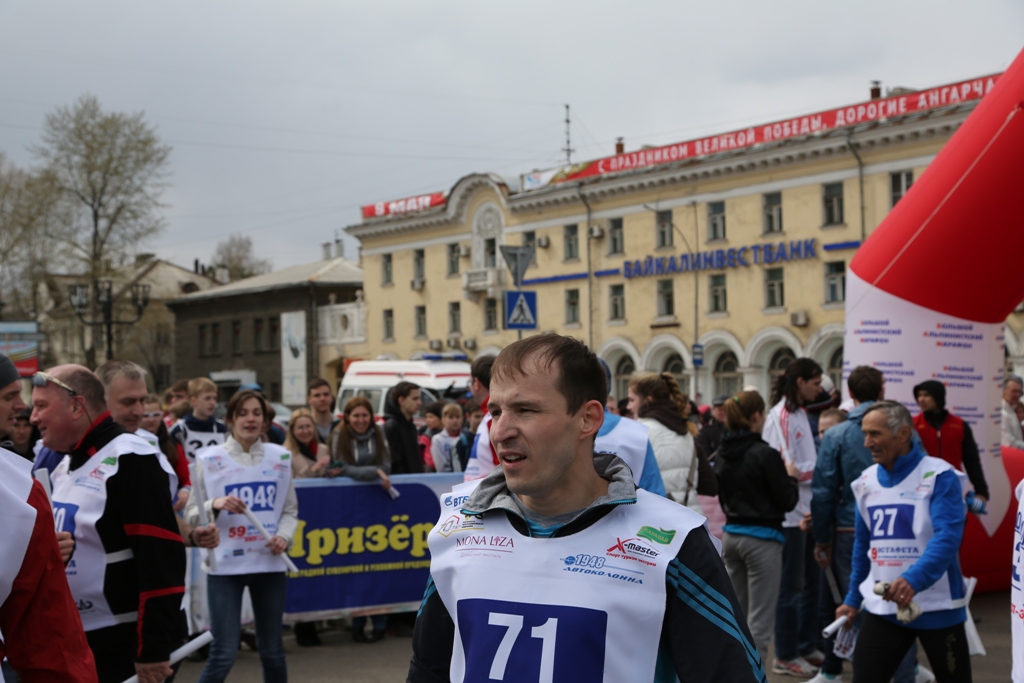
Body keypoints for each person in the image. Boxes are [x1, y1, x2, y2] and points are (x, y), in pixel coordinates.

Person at [408, 334, 766, 682]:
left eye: (525, 410)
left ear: (588, 418)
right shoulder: (458, 526)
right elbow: (428, 671)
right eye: (495, 411)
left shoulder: (673, 543)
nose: (500, 432)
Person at [33, 365, 185, 683]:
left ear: (77, 407)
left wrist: (151, 649)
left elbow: (160, 557)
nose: (34, 417)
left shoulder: (131, 457)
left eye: (41, 406)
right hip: (84, 640)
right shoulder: (65, 463)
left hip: (125, 644)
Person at [836, 401, 972, 683]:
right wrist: (853, 599)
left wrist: (913, 579)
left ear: (903, 433)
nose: (867, 443)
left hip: (937, 606)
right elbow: (863, 546)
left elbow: (947, 537)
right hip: (883, 608)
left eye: (875, 434)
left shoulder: (939, 475)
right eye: (865, 434)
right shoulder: (865, 481)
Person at [810, 366, 922, 683]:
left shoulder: (837, 434)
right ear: (881, 390)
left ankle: (878, 673)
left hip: (849, 531)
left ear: (850, 393)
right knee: (901, 605)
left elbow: (823, 492)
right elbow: (920, 471)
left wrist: (822, 539)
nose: (870, 442)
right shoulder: (902, 431)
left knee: (859, 608)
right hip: (899, 531)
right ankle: (904, 674)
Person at [186, 390, 298, 683]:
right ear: (230, 419)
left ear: (265, 420)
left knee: (272, 651)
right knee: (223, 652)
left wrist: (284, 537)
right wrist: (215, 504)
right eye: (243, 413)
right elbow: (191, 514)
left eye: (256, 413)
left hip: (269, 565)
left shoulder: (280, 457)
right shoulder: (209, 459)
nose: (250, 419)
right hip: (225, 568)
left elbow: (289, 511)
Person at [716, 390, 800, 665]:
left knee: (736, 617)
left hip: (732, 537)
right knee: (760, 623)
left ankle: (732, 673)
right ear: (756, 416)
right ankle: (754, 676)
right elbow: (787, 500)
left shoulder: (723, 453)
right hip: (762, 540)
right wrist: (792, 478)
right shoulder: (765, 454)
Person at [763, 357, 824, 677]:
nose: (820, 389)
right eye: (815, 383)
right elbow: (786, 469)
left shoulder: (801, 413)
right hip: (791, 517)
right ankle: (785, 654)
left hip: (809, 512)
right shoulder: (781, 416)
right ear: (800, 382)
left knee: (812, 584)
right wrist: (825, 472)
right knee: (791, 589)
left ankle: (806, 644)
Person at [326, 396, 392, 642]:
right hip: (350, 507)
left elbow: (386, 465)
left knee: (378, 565)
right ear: (347, 417)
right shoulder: (338, 435)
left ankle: (379, 622)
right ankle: (357, 622)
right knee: (355, 566)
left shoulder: (379, 434)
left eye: (365, 415)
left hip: (377, 506)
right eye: (356, 416)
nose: (361, 420)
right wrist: (374, 472)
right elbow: (340, 468)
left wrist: (374, 471)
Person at [96, 360, 189, 509]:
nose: (139, 411)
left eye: (142, 400)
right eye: (128, 402)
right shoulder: (68, 449)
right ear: (99, 400)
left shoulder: (148, 448)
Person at [628, 372, 712, 512]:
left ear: (648, 399)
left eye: (632, 400)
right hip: (691, 515)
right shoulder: (686, 432)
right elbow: (710, 485)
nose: (628, 406)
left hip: (656, 518)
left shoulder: (639, 431)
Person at [593, 358, 666, 496]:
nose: (628, 406)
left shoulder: (556, 430)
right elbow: (655, 495)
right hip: (629, 508)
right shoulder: (637, 433)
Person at [913, 379, 989, 503]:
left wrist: (981, 491)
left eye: (926, 395)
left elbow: (972, 461)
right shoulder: (912, 425)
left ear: (938, 396)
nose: (921, 399)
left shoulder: (959, 425)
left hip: (952, 487)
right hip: (920, 488)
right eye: (919, 395)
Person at [169, 377, 228, 463]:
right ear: (193, 401)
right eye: (207, 398)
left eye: (215, 398)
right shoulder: (180, 430)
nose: (212, 403)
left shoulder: (221, 428)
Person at [463, 355, 497, 481]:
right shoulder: (490, 416)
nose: (469, 388)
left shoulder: (494, 418)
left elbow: (503, 468)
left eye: (470, 382)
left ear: (476, 383)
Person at [383, 381, 423, 474]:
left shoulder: (409, 425)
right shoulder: (392, 427)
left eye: (419, 398)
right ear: (401, 400)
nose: (419, 403)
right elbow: (395, 462)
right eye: (415, 399)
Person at [284, 408, 328, 479]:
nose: (305, 431)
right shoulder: (285, 453)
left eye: (308, 426)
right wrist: (313, 469)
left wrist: (331, 474)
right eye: (300, 427)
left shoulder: (324, 449)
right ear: (292, 430)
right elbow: (288, 481)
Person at [431, 402, 466, 473]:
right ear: (443, 420)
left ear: (462, 419)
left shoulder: (466, 437)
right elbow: (441, 467)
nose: (455, 420)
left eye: (457, 417)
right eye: (450, 417)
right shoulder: (437, 440)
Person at [696, 393, 729, 461]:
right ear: (713, 411)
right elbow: (706, 457)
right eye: (720, 409)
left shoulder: (739, 430)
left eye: (726, 409)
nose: (723, 412)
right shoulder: (705, 433)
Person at [306, 377, 339, 443]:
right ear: (309, 399)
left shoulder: (341, 425)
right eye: (317, 395)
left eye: (326, 394)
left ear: (331, 397)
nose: (322, 399)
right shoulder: (305, 427)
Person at [453, 399, 482, 473]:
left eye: (484, 416)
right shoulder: (460, 442)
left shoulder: (493, 439)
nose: (481, 420)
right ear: (468, 416)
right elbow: (458, 473)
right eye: (477, 416)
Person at [419, 400, 445, 470]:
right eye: (427, 417)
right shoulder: (425, 437)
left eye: (431, 417)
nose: (427, 420)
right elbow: (430, 463)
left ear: (441, 418)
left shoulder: (452, 434)